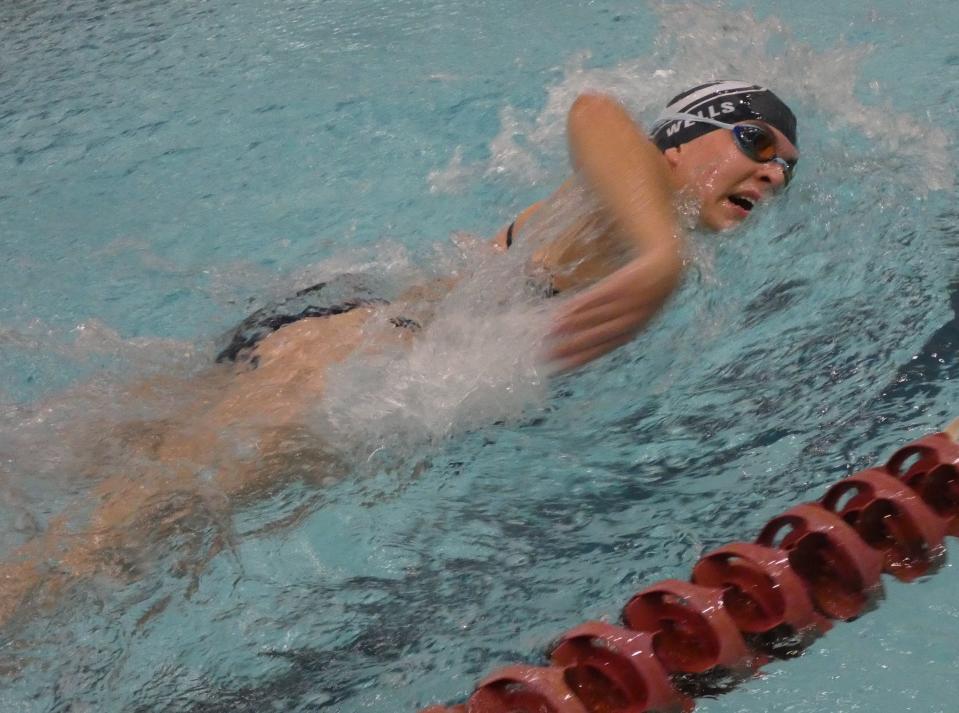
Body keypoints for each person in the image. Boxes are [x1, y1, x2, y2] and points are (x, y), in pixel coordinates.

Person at [0, 81, 800, 624]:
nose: (768, 172)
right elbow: (594, 111)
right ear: (676, 144)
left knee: (72, 461)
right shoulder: (643, 206)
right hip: (348, 355)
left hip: (337, 331)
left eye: (783, 171)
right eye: (754, 141)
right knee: (123, 533)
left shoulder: (660, 233)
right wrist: (656, 257)